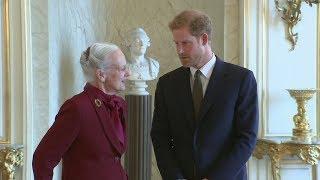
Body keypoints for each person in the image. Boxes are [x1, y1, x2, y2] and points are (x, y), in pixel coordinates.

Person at [151, 10, 258, 180]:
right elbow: (160, 137)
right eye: (176, 43)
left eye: (185, 43)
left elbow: (246, 139)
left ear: (204, 39)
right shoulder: (167, 84)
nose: (179, 50)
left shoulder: (241, 79)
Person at [33, 43, 130, 180]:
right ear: (101, 74)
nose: (128, 73)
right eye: (122, 68)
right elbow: (42, 159)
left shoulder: (120, 105)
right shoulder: (77, 108)